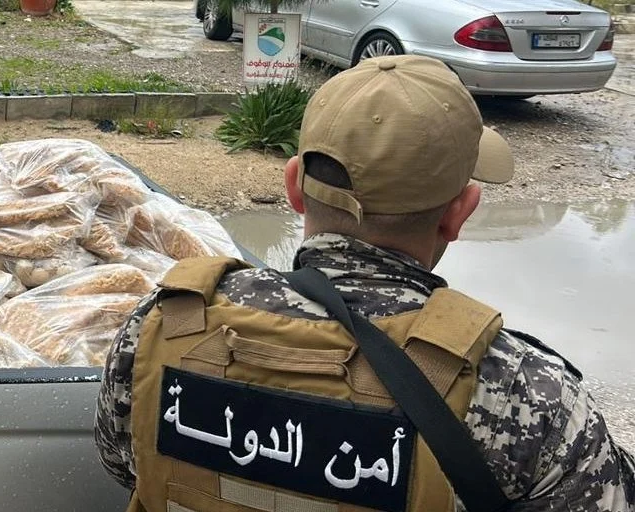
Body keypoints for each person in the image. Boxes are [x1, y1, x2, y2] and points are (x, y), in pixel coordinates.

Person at [95, 54, 635, 511]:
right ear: (460, 212)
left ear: (294, 187)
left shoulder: (163, 324)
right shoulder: (525, 391)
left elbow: (124, 463)